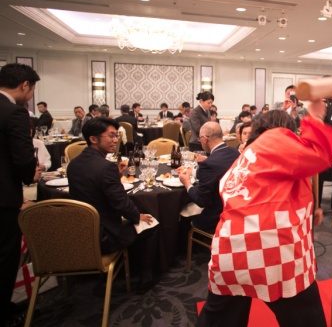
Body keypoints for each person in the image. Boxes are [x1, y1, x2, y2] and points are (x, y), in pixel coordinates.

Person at [198, 102, 332, 327]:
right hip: (274, 251)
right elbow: (320, 156)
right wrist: (315, 117)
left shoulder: (247, 153)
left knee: (220, 319)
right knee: (305, 318)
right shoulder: (277, 138)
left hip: (229, 252)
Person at [68, 117, 158, 289]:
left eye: (117, 135)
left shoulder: (74, 164)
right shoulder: (105, 167)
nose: (116, 140)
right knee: (151, 224)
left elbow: (93, 191)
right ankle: (145, 279)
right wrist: (137, 216)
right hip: (103, 237)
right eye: (111, 136)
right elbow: (121, 204)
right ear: (93, 139)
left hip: (80, 230)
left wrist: (115, 177)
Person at [0, 63, 41, 325]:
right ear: (25, 85)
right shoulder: (14, 113)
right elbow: (23, 158)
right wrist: (31, 176)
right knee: (5, 255)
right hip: (3, 197)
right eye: (31, 89)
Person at [178, 122, 239, 233]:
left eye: (200, 139)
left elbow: (201, 200)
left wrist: (187, 183)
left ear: (205, 139)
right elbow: (220, 168)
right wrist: (205, 162)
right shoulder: (235, 152)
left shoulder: (209, 164)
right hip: (235, 211)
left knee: (182, 214)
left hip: (216, 218)